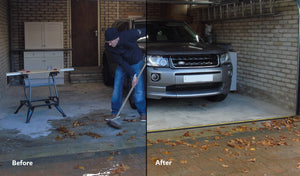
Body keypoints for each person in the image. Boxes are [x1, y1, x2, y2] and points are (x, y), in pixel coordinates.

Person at [104, 27, 146, 121]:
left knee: (138, 89)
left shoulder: (129, 34)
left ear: (117, 38)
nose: (109, 44)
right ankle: (115, 113)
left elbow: (143, 31)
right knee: (117, 87)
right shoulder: (109, 47)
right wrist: (133, 75)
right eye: (107, 42)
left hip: (136, 61)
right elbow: (121, 62)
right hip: (123, 64)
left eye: (111, 41)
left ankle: (143, 113)